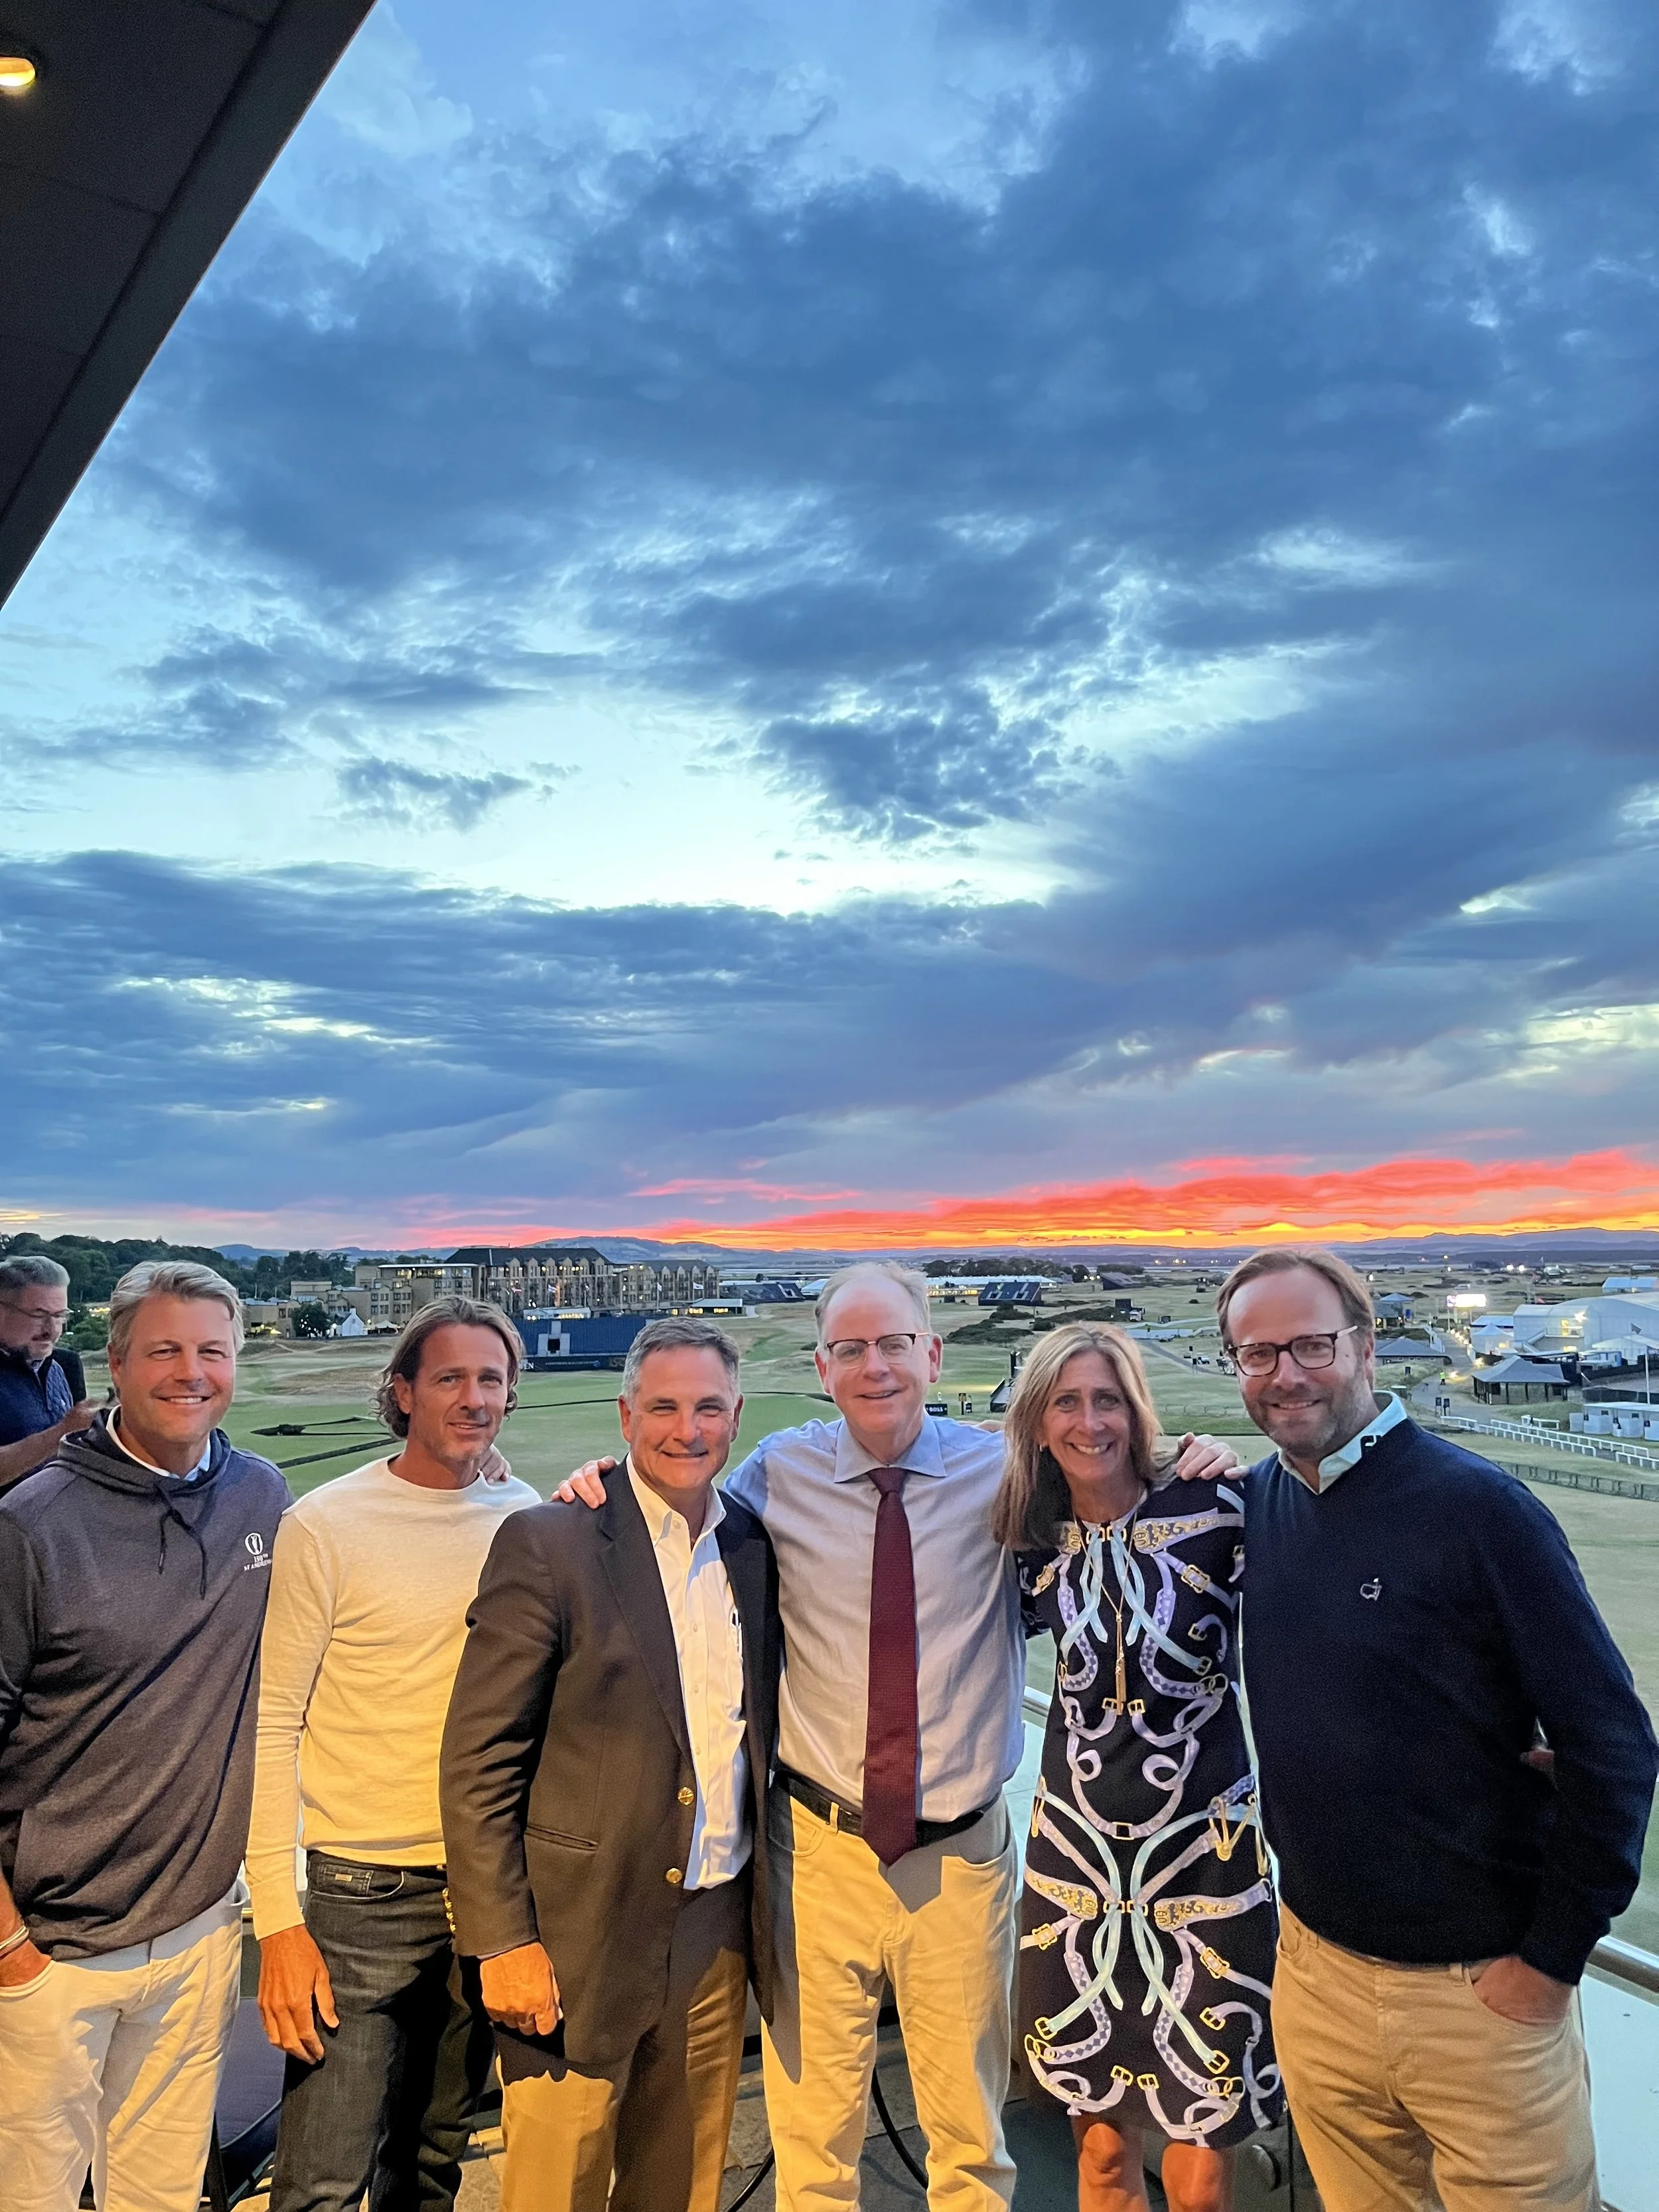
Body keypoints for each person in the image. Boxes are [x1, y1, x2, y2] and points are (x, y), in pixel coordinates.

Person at [558, 1261, 1238, 2210]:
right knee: (813, 2137)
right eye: (849, 1349)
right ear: (822, 1366)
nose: (873, 1367)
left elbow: (1111, 1483)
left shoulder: (1005, 1475)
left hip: (959, 1859)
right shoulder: (774, 1475)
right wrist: (598, 1479)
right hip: (818, 1855)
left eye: (891, 1344)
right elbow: (670, 1506)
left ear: (932, 1352)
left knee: (969, 2133)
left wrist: (1193, 1462)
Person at [1199, 1244, 1659, 2212]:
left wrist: (1549, 1962)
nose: (1285, 1375)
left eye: (1311, 1345)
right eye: (1257, 1353)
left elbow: (1613, 1746)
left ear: (1366, 1346)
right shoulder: (1259, 1503)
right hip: (1317, 1974)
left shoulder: (1480, 1510)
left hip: (1480, 1997)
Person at [440, 1317, 782, 2212]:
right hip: (575, 1943)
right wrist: (502, 1940)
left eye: (709, 1406)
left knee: (681, 2185)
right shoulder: (551, 1542)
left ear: (737, 1416)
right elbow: (479, 1761)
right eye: (663, 1406)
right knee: (559, 2183)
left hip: (714, 1937)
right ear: (626, 1417)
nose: (688, 1428)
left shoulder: (750, 1547)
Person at [0, 1260, 290, 2212]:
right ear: (115, 1367)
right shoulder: (30, 1524)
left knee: (162, 2197)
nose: (190, 1372)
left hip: (200, 1932)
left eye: (212, 1350)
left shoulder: (260, 1494)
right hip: (52, 1951)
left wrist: (492, 1471)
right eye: (163, 1349)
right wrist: (9, 1949)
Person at [249, 1297, 540, 2212]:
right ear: (402, 1391)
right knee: (324, 2182)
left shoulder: (525, 1516)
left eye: (490, 1378)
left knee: (429, 2166)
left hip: (488, 1892)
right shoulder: (327, 1524)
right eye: (449, 1377)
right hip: (359, 1895)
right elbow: (273, 1722)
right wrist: (276, 1921)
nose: (472, 1397)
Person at [995, 1324, 1281, 2212]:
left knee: (1201, 2161)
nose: (1089, 1422)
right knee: (1100, 2150)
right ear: (1039, 1421)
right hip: (1076, 1863)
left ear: (1137, 1409)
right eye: (1067, 1402)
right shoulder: (1026, 1537)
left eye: (1108, 1398)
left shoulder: (1219, 1510)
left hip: (1206, 1857)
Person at [0, 1255, 98, 1495]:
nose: (51, 1331)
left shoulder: (57, 1367)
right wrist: (63, 1432)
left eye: (59, 1316)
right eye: (38, 1315)